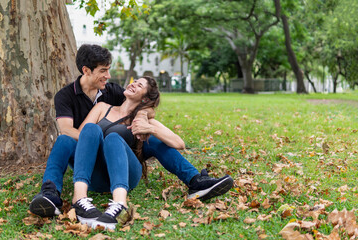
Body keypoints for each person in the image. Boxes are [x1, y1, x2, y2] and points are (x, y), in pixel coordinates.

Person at [29, 44, 233, 219]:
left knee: (148, 140)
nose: (108, 76)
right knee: (66, 139)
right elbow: (73, 131)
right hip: (92, 164)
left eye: (139, 85)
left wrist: (146, 119)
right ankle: (50, 193)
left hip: (122, 166)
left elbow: (167, 129)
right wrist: (96, 138)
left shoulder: (114, 92)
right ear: (86, 70)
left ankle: (196, 181)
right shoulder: (78, 100)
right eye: (103, 71)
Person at [71, 76, 180, 230]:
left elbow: (179, 143)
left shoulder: (141, 119)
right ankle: (79, 197)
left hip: (126, 171)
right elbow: (81, 135)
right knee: (90, 129)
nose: (133, 84)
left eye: (139, 85)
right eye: (134, 81)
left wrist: (149, 127)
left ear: (144, 99)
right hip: (99, 172)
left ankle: (120, 203)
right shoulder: (103, 107)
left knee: (113, 138)